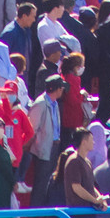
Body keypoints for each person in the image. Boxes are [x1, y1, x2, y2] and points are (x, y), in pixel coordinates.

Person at [29, 75, 67, 207]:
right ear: (56, 89)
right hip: (44, 149)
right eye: (61, 88)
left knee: (49, 183)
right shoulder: (40, 103)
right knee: (41, 185)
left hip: (54, 146)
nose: (63, 90)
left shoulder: (54, 102)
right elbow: (32, 128)